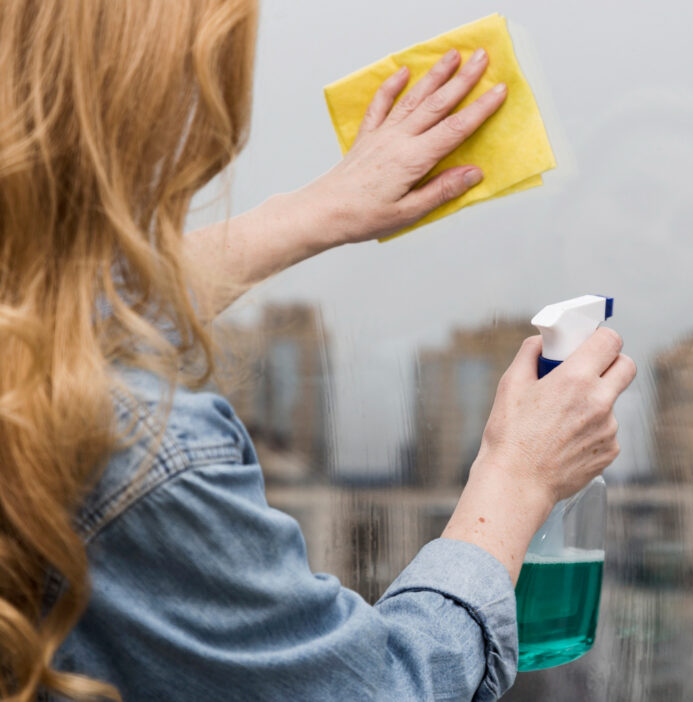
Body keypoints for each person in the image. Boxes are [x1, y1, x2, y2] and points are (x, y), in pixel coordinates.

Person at [0, 2, 635, 701]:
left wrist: (316, 211)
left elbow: (58, 322)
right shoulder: (143, 452)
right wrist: (517, 480)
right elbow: (383, 688)